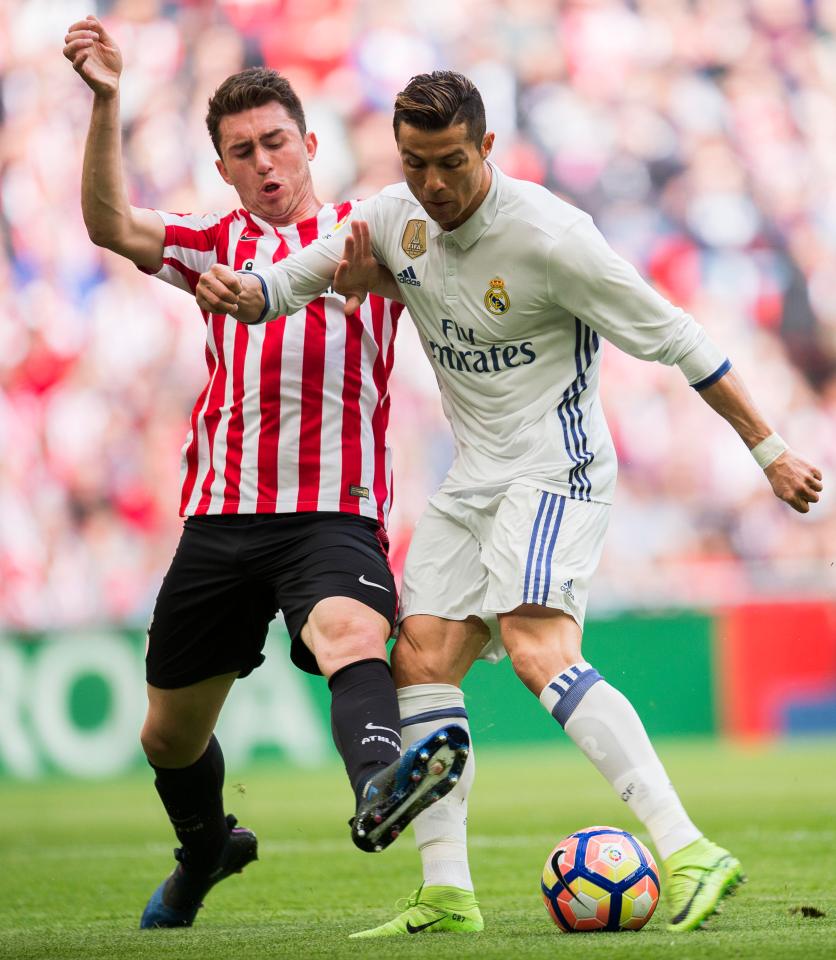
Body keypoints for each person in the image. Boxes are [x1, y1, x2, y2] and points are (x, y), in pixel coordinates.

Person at [193, 71, 823, 937]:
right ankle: (448, 893)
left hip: (555, 468)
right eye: (416, 164)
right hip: (474, 476)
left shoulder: (553, 236)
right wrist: (248, 294)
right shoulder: (391, 216)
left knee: (535, 648)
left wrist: (769, 449)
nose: (435, 185)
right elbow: (295, 278)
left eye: (451, 162)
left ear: (487, 148)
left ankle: (688, 849)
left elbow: (682, 336)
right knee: (418, 660)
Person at [62, 20, 470, 931]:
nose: (264, 163)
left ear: (311, 144)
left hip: (333, 511)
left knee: (349, 632)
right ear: (224, 169)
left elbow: (459, 269)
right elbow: (106, 223)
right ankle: (208, 848)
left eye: (277, 142)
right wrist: (106, 100)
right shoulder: (213, 240)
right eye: (242, 152)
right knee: (168, 736)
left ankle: (380, 787)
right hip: (219, 521)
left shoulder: (372, 235)